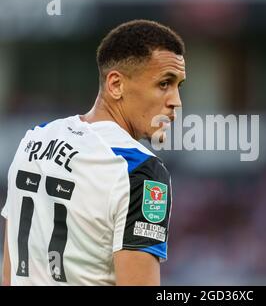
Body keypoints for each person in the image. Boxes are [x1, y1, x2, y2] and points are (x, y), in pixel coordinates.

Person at [1, 19, 186, 286]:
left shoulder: (34, 139)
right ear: (116, 85)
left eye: (179, 85)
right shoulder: (139, 169)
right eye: (164, 84)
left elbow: (10, 273)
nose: (176, 101)